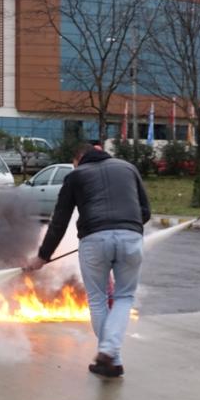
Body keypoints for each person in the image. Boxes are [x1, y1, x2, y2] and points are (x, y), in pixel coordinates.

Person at [24, 144, 151, 378]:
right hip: (131, 237)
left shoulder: (76, 175)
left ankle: (109, 354)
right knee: (124, 297)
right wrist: (124, 229)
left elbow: (59, 222)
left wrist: (43, 256)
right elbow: (146, 211)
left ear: (79, 157)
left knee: (98, 299)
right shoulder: (128, 168)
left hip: (94, 241)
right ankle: (110, 357)